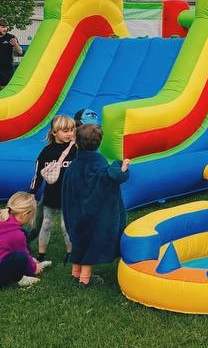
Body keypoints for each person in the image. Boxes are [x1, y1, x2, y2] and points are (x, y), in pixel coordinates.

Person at [61, 123, 130, 286]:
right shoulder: (98, 163)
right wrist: (122, 168)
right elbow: (110, 177)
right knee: (90, 242)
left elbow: (68, 189)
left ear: (76, 143)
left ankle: (75, 272)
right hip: (93, 215)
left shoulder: (74, 166)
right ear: (99, 143)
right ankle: (85, 279)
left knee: (79, 240)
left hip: (76, 213)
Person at [29, 114, 78, 262]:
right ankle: (41, 254)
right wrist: (32, 191)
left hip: (69, 195)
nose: (69, 133)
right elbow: (38, 173)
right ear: (54, 132)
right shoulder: (46, 151)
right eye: (65, 130)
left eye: (71, 130)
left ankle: (70, 254)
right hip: (50, 194)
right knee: (46, 223)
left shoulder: (75, 150)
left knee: (65, 226)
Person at [0, 192, 50, 288]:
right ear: (25, 214)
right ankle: (19, 278)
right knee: (20, 257)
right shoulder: (17, 235)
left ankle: (29, 263)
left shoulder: (3, 217)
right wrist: (34, 268)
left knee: (23, 236)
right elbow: (23, 254)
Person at [0, 18, 23, 88]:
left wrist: (16, 44)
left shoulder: (11, 37)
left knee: (7, 89)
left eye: (6, 27)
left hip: (8, 69)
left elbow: (20, 52)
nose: (5, 29)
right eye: (3, 27)